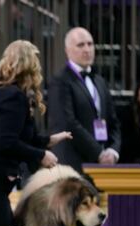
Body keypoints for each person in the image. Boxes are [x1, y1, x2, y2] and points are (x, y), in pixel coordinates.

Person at [0, 40, 71, 226]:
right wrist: (41, 155)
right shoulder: (13, 97)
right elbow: (6, 142)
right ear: (31, 67)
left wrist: (49, 141)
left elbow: (19, 136)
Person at [47, 27, 121, 173]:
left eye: (90, 44)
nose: (87, 49)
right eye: (80, 45)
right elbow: (69, 124)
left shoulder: (100, 81)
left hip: (102, 166)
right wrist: (99, 153)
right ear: (67, 50)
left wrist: (113, 151)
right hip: (73, 164)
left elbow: (114, 122)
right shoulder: (60, 81)